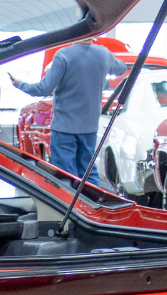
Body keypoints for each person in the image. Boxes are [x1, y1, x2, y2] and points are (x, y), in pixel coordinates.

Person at [9, 39, 127, 187]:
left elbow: (43, 89)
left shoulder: (63, 55)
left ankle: (68, 208)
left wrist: (19, 84)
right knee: (88, 174)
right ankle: (90, 206)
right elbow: (121, 68)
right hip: (89, 128)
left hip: (64, 129)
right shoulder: (102, 53)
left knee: (65, 177)